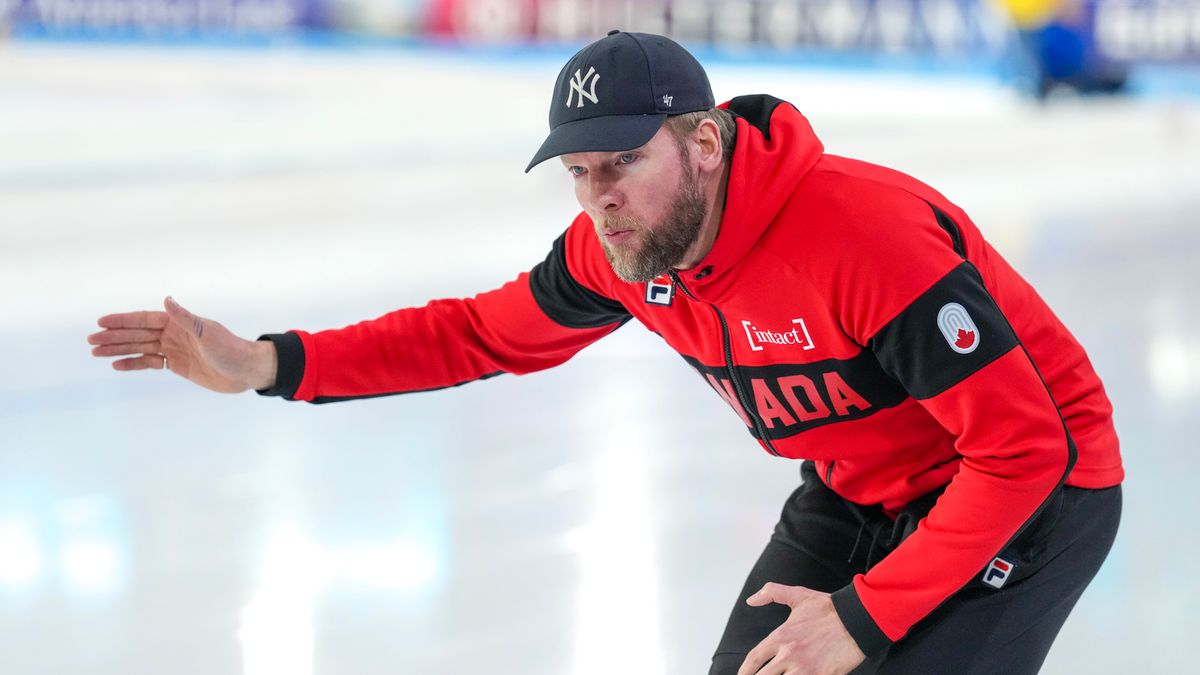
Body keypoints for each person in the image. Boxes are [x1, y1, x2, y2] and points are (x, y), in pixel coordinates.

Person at [87, 30, 1124, 675]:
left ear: (704, 144)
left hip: (1039, 490)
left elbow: (1023, 452)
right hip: (861, 486)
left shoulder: (859, 237)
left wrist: (864, 615)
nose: (600, 199)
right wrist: (269, 363)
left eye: (624, 162)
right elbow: (477, 332)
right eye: (580, 172)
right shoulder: (620, 252)